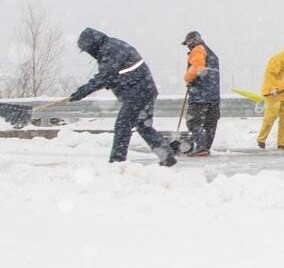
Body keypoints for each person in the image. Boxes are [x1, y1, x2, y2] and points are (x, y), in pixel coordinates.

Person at [68, 27, 176, 166]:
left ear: (92, 44)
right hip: (144, 90)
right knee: (144, 126)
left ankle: (117, 162)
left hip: (138, 92)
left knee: (122, 126)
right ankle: (167, 156)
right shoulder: (111, 46)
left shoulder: (110, 49)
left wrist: (82, 92)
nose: (89, 53)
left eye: (87, 49)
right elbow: (113, 76)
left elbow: (105, 76)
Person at [180, 31, 221, 156]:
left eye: (187, 43)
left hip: (200, 95)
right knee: (210, 124)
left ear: (192, 41)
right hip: (213, 96)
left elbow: (198, 66)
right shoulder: (212, 54)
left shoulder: (198, 49)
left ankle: (201, 147)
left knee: (193, 121)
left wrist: (187, 78)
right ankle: (205, 148)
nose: (187, 46)